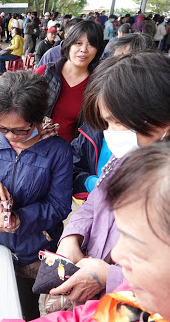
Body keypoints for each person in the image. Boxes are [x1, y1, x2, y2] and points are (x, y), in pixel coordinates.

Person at [50, 52, 170, 309]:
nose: (109, 134)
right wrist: (72, 237)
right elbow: (95, 202)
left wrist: (110, 276)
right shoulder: (125, 157)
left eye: (116, 122)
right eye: (105, 123)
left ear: (162, 124)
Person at [0, 71, 73, 320]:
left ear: (36, 119)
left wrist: (21, 219)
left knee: (22, 308)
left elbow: (59, 205)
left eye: (19, 130)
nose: (10, 136)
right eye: (3, 128)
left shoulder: (58, 151)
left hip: (32, 250)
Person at [16, 142, 170, 322]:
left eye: (136, 244)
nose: (117, 254)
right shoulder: (134, 301)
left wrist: (110, 276)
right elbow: (94, 316)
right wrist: (71, 238)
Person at [71, 35, 156, 202]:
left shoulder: (157, 136)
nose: (118, 71)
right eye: (115, 61)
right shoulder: (97, 122)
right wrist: (91, 183)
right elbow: (72, 162)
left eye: (129, 65)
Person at [35, 20, 104, 143]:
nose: (83, 49)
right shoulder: (45, 73)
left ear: (98, 50)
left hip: (71, 154)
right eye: (78, 43)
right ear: (69, 44)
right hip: (37, 145)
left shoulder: (97, 85)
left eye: (91, 44)